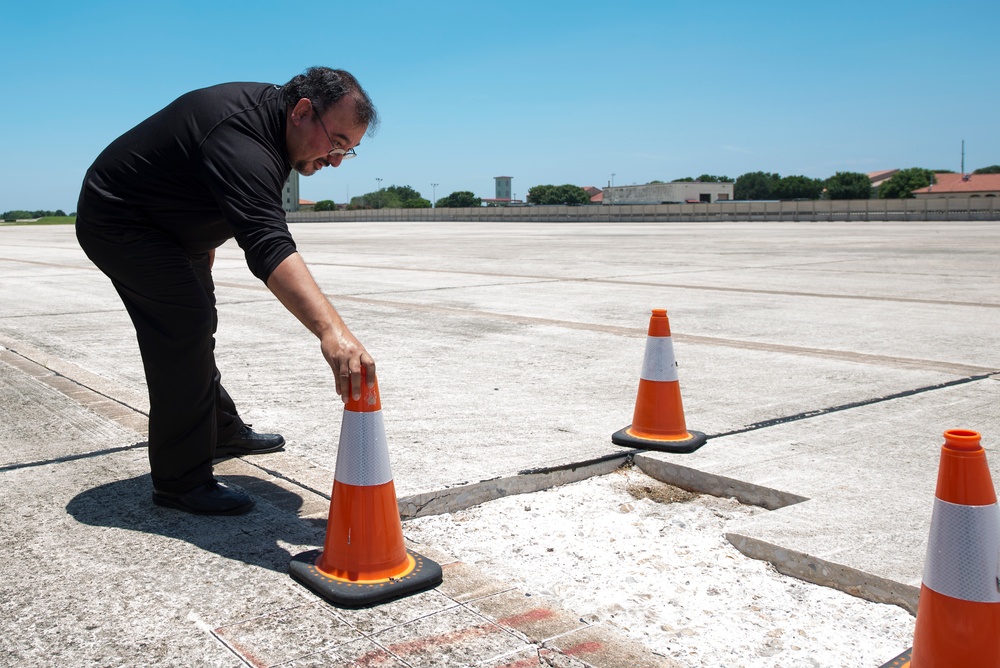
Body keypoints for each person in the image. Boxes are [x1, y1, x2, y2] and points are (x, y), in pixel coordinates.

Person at [75, 67, 378, 516]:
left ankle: (218, 429)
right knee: (184, 325)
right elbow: (267, 241)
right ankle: (181, 482)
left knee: (197, 321)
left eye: (347, 152)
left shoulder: (273, 131)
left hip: (170, 229)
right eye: (335, 143)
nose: (335, 160)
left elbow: (213, 191)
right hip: (120, 221)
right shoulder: (242, 135)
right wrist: (332, 331)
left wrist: (201, 247)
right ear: (301, 111)